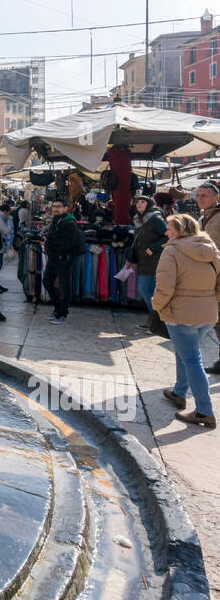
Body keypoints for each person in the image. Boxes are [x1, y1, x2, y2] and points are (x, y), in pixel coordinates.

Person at [152, 213, 220, 430]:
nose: (166, 232)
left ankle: (204, 410)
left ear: (180, 230)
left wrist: (157, 305)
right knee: (186, 354)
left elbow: (165, 286)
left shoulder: (172, 250)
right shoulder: (211, 249)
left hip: (181, 314)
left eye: (169, 228)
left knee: (191, 359)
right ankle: (179, 392)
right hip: (207, 313)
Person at [43, 198, 84, 324]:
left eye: (59, 206)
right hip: (55, 258)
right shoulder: (57, 220)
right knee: (47, 282)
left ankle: (62, 314)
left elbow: (67, 243)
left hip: (64, 259)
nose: (55, 209)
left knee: (64, 287)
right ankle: (57, 309)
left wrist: (48, 242)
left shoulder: (69, 222)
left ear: (66, 208)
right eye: (54, 206)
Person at [196, 182, 220, 374]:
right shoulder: (203, 217)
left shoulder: (218, 218)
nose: (200, 199)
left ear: (216, 198)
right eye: (198, 195)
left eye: (205, 195)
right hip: (208, 276)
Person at [129, 196, 167, 315]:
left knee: (145, 289)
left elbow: (169, 236)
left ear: (149, 205)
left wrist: (153, 247)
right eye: (137, 202)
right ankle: (155, 319)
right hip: (142, 260)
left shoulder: (155, 219)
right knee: (147, 290)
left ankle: (157, 320)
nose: (139, 204)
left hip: (154, 260)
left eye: (143, 202)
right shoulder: (138, 219)